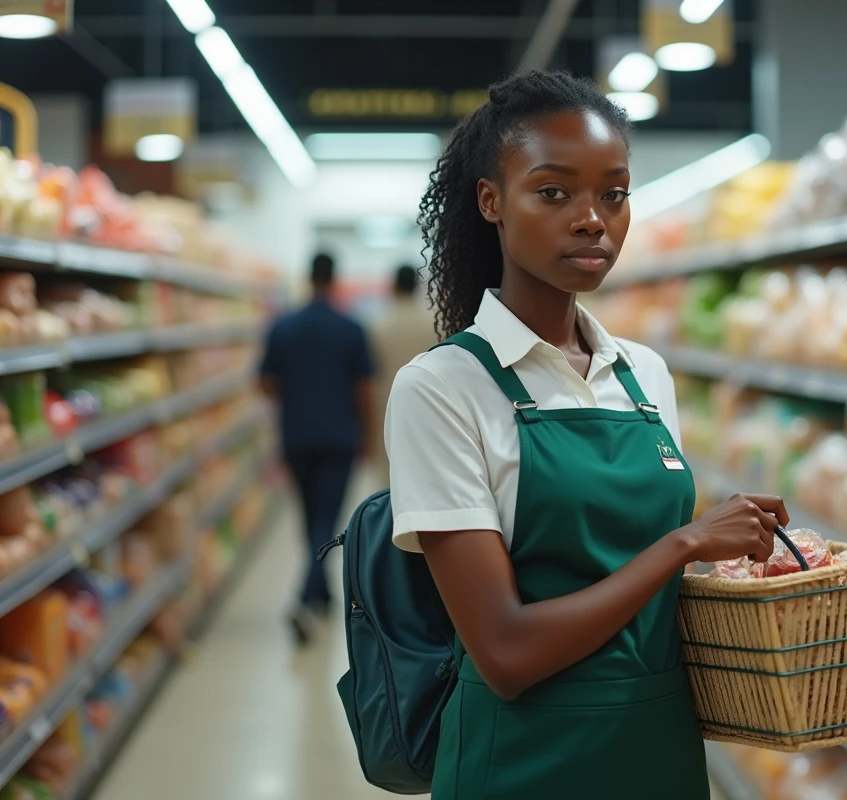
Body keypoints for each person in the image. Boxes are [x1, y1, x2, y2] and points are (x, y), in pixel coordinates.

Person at [384, 71, 787, 799]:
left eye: (614, 193)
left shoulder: (645, 375)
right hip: (524, 764)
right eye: (554, 192)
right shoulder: (442, 389)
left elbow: (653, 604)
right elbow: (505, 650)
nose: (592, 218)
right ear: (491, 202)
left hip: (659, 752)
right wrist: (687, 543)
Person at [260, 253, 374, 644]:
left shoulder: (283, 326)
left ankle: (318, 594)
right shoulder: (351, 328)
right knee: (326, 520)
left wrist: (294, 397)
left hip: (297, 436)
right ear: (335, 278)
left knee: (310, 518)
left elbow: (265, 381)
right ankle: (307, 597)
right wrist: (368, 437)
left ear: (309, 278)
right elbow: (364, 389)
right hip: (339, 438)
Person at [366, 264, 435, 488]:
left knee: (389, 480)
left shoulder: (378, 326)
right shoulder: (433, 326)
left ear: (394, 287)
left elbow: (371, 377)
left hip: (386, 409)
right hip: (428, 409)